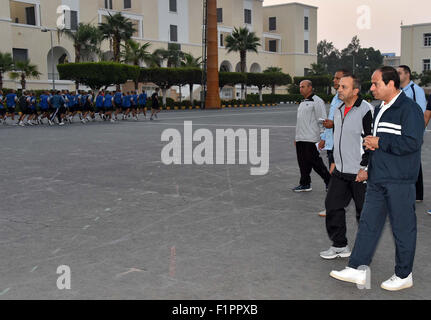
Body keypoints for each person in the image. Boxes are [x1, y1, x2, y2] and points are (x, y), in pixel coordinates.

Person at [330, 66, 424, 291]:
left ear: (391, 84)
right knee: (368, 224)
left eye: (376, 84)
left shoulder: (409, 110)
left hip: (399, 180)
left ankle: (404, 275)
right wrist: (368, 165)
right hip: (377, 178)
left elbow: (413, 143)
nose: (371, 88)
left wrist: (380, 142)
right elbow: (372, 141)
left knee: (402, 228)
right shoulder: (379, 108)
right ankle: (357, 269)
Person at [320, 74, 373, 259]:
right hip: (341, 170)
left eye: (344, 87)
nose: (339, 89)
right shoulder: (338, 109)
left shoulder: (366, 110)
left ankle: (365, 251)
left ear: (355, 90)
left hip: (359, 172)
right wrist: (334, 161)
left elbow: (370, 142)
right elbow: (337, 137)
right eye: (339, 86)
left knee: (363, 214)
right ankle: (340, 245)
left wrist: (365, 168)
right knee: (332, 205)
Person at [318, 69, 349, 217]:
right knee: (338, 178)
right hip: (332, 142)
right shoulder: (336, 97)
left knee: (336, 178)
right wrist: (324, 137)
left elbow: (349, 122)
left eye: (338, 78)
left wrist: (333, 125)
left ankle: (332, 207)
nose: (334, 81)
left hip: (341, 144)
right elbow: (332, 118)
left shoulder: (348, 98)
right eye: (334, 78)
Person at [292, 80, 331, 192]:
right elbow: (300, 121)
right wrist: (296, 137)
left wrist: (323, 137)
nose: (301, 89)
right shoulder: (302, 102)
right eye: (300, 87)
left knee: (315, 162)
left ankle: (329, 181)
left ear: (310, 88)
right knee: (302, 163)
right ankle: (305, 184)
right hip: (301, 138)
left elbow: (322, 120)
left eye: (303, 87)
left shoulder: (317, 101)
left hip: (311, 138)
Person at [397, 65, 427, 202]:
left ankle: (418, 194)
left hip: (412, 133)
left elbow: (420, 113)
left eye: (399, 73)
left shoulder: (416, 90)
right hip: (399, 132)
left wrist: (417, 133)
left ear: (407, 74)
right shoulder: (398, 91)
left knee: (414, 162)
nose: (397, 75)